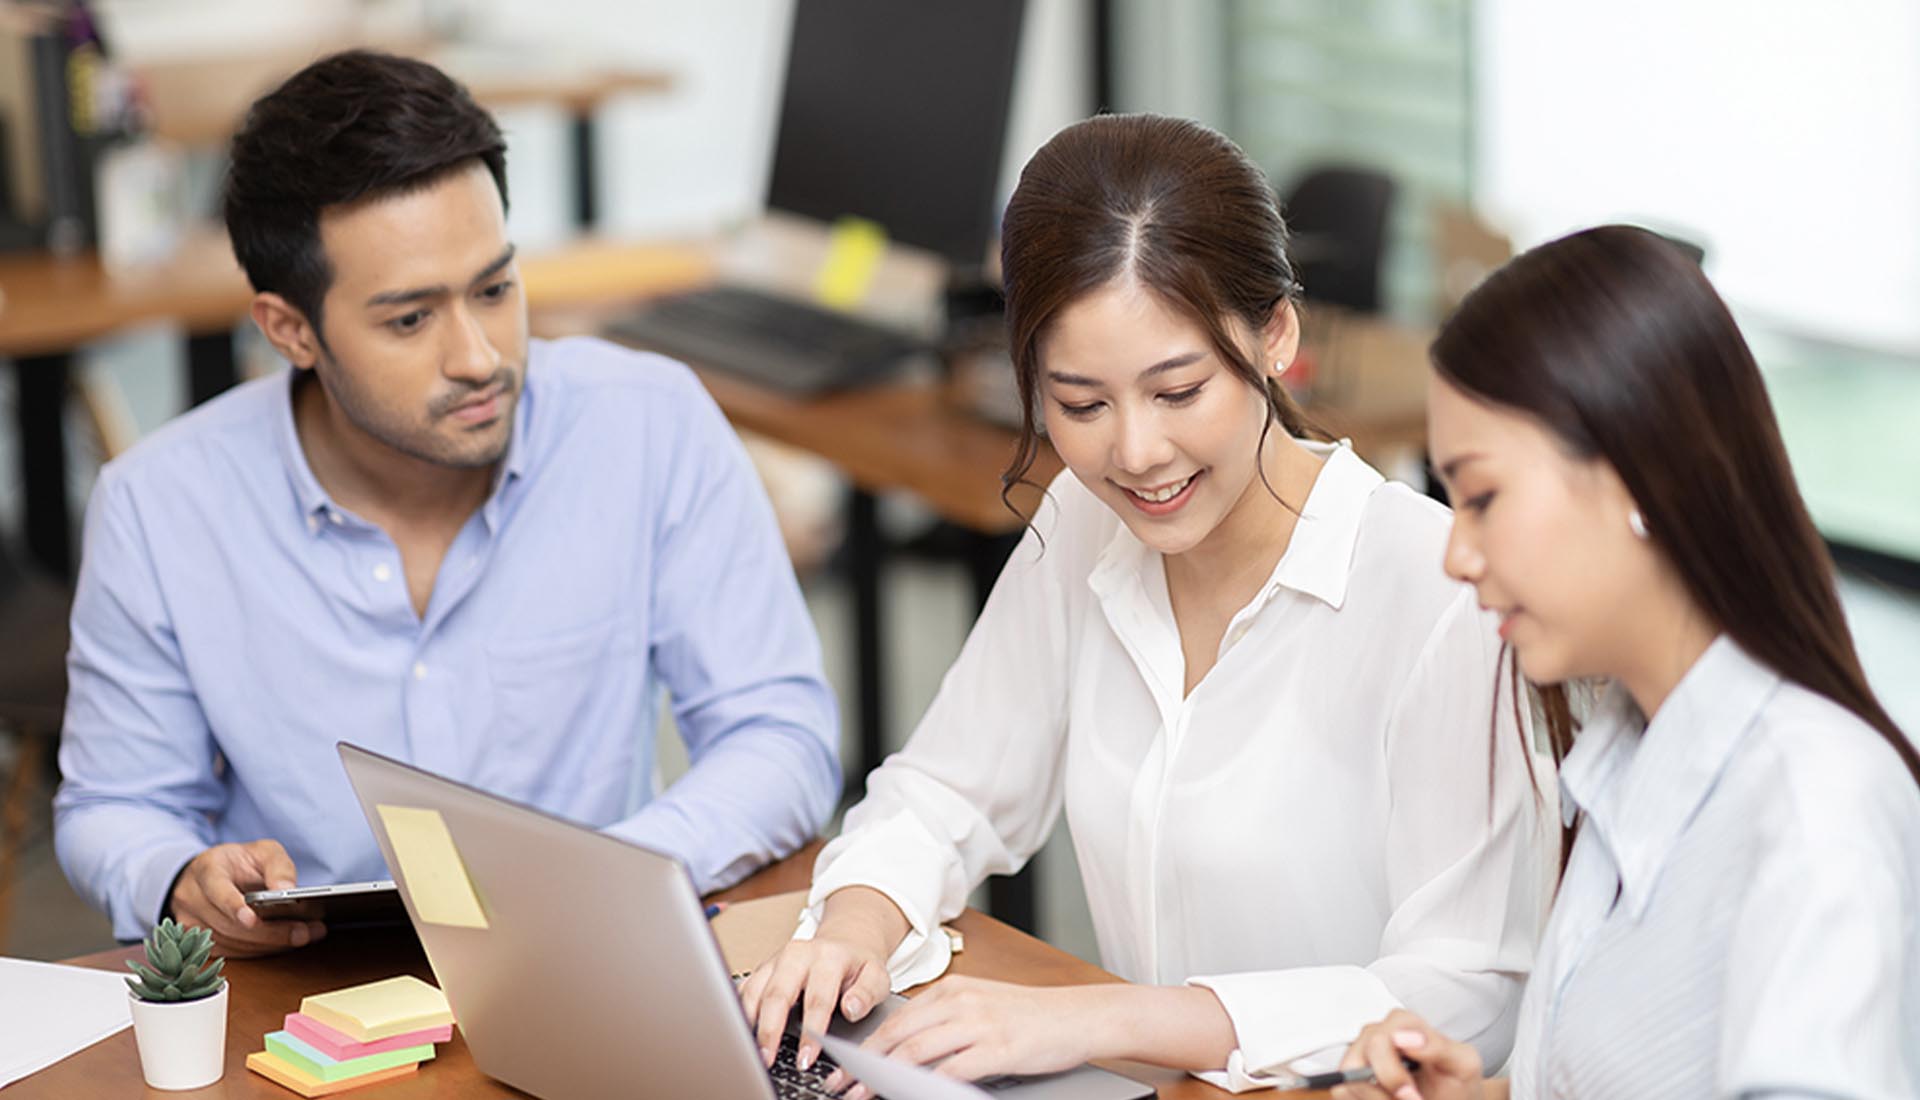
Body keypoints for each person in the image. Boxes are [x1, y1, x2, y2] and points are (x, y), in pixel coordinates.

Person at [739, 113, 1557, 1093]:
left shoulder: (1436, 587)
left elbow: (1463, 990)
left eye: (1178, 391)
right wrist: (853, 925)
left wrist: (1102, 1014)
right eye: (1080, 404)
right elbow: (947, 789)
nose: (1134, 453)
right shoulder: (1086, 519)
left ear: (1276, 336)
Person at [54, 50, 840, 954]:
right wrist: (175, 875)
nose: (478, 356)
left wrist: (610, 876)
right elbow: (118, 803)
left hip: (587, 963)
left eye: (496, 289)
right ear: (289, 329)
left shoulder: (649, 426)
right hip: (307, 1003)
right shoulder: (159, 508)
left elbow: (778, 737)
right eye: (410, 319)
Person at [1336, 225, 1920, 1100]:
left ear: (1639, 478)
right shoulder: (1625, 744)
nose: (1456, 556)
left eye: (1483, 498)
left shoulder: (1811, 809)